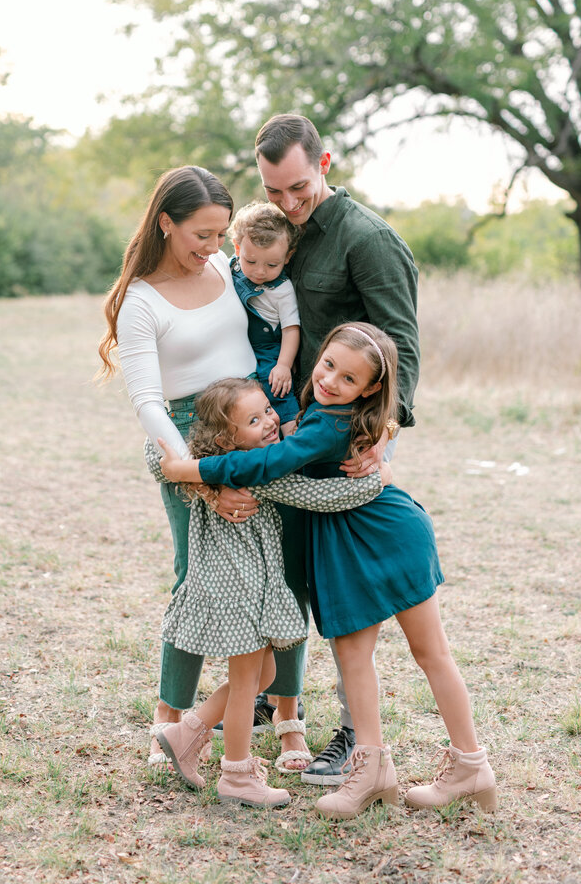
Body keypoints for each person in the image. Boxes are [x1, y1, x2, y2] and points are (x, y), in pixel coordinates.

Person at [159, 323, 497, 820]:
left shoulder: (328, 424)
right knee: (370, 657)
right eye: (328, 364)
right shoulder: (326, 412)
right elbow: (286, 433)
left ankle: (459, 767)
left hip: (376, 532)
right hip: (369, 533)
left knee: (420, 654)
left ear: (371, 389)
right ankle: (406, 768)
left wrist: (189, 472)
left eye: (348, 378)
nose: (330, 380)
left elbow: (271, 462)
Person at [97, 165, 309, 772]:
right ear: (166, 222)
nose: (214, 247)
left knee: (285, 572)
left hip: (257, 422)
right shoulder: (141, 301)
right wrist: (199, 472)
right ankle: (171, 717)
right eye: (202, 234)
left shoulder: (226, 267)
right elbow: (146, 401)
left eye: (221, 234)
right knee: (195, 577)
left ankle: (288, 716)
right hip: (192, 435)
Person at [254, 113, 421, 785]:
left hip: (351, 442)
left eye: (298, 187)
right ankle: (274, 697)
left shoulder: (368, 239)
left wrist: (385, 433)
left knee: (347, 595)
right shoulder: (277, 234)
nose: (288, 202)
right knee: (287, 573)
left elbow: (402, 345)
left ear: (324, 164)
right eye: (274, 191)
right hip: (296, 432)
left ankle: (356, 737)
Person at [150, 377, 388, 807]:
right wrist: (377, 478)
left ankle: (186, 734)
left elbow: (160, 456)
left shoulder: (204, 461)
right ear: (226, 438)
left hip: (231, 591)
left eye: (267, 410)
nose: (270, 421)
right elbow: (321, 496)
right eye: (254, 420)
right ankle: (236, 774)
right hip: (244, 593)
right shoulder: (258, 470)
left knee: (262, 677)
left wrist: (183, 470)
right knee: (247, 686)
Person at [229, 201, 302, 426]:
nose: (260, 272)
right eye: (251, 261)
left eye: (272, 265)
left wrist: (284, 365)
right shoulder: (229, 269)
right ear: (238, 248)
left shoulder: (282, 289)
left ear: (287, 257)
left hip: (269, 351)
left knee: (278, 390)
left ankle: (291, 434)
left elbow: (291, 329)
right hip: (237, 346)